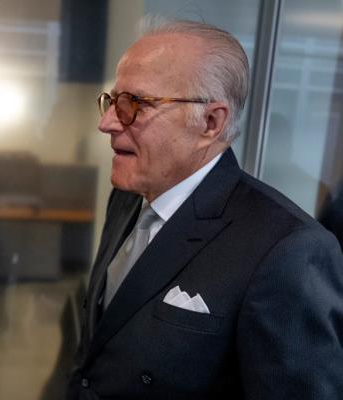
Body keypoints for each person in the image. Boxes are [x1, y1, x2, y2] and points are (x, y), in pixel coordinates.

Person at [66, 17, 343, 399]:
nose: (108, 122)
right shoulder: (127, 197)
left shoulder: (289, 250)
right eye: (113, 101)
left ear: (211, 122)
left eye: (136, 104)